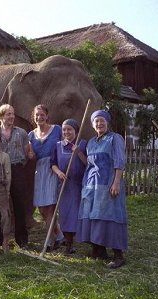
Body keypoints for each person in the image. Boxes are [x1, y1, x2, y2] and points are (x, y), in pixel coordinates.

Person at [76, 110, 128, 269]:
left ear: (107, 122)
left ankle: (118, 255)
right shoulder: (91, 142)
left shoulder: (114, 138)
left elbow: (119, 161)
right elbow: (89, 163)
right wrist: (77, 152)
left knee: (111, 216)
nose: (99, 124)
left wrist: (116, 182)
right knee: (94, 216)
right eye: (96, 121)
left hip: (108, 184)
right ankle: (99, 249)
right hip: (92, 185)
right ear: (92, 124)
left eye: (102, 121)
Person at [27, 104, 64, 250]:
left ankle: (48, 241)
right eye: (37, 115)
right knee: (42, 209)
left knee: (50, 208)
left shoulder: (57, 130)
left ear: (47, 116)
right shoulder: (31, 135)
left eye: (42, 114)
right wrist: (30, 155)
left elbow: (65, 144)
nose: (39, 117)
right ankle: (60, 236)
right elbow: (30, 155)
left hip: (53, 169)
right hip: (39, 171)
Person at [51, 119, 87, 255]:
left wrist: (78, 152)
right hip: (64, 186)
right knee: (65, 215)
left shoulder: (82, 144)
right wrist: (59, 172)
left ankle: (74, 241)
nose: (66, 132)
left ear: (76, 131)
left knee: (75, 214)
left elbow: (87, 163)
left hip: (77, 185)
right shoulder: (57, 145)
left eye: (69, 129)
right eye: (64, 130)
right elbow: (52, 163)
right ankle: (68, 243)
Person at [0, 104, 30, 248]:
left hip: (17, 169)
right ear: (1, 116)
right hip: (1, 170)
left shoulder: (21, 133)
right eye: (8, 114)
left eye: (12, 114)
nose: (11, 117)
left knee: (19, 204)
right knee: (0, 204)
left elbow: (27, 152)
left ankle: (21, 239)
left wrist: (20, 166)